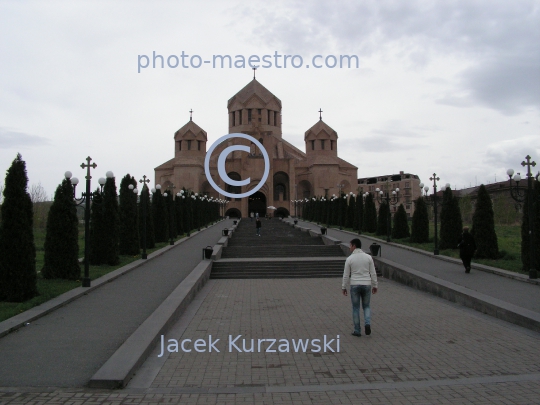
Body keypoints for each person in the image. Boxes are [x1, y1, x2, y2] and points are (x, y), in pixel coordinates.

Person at [342, 238, 378, 337]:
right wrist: (375, 285)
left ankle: (357, 330)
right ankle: (367, 323)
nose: (349, 248)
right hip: (366, 284)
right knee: (366, 306)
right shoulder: (368, 257)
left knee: (356, 308)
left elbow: (346, 275)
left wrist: (344, 287)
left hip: (354, 285)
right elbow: (373, 273)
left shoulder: (349, 259)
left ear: (354, 246)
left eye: (350, 245)